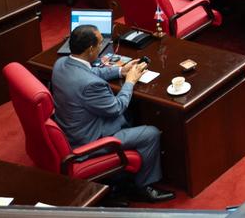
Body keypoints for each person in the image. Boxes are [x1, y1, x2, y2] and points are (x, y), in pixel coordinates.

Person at [51, 25, 173, 203]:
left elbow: (90, 72)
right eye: (100, 43)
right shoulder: (90, 85)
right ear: (91, 49)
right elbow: (117, 107)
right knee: (151, 133)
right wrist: (130, 81)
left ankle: (126, 173)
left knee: (131, 114)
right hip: (90, 141)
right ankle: (144, 187)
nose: (102, 46)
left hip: (72, 129)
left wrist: (120, 71)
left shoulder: (61, 64)